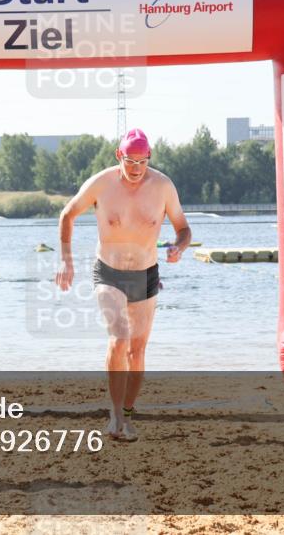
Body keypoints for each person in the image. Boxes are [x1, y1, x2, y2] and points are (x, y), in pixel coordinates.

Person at [55, 128, 191, 442]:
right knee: (119, 339)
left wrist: (179, 247)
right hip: (109, 272)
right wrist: (66, 261)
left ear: (149, 158)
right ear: (119, 156)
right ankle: (115, 414)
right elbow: (67, 215)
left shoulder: (163, 186)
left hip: (146, 274)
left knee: (138, 350)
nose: (136, 168)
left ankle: (128, 414)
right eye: (130, 161)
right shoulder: (102, 183)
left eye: (142, 162)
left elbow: (183, 228)